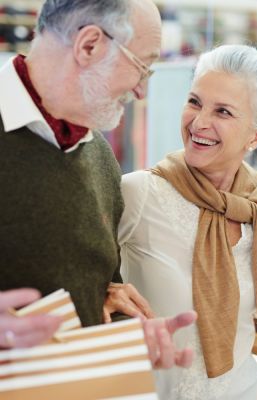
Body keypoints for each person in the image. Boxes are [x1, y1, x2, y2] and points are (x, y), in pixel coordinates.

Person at [119, 44, 257, 400]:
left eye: (223, 112)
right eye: (195, 102)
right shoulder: (140, 193)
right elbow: (86, 285)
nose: (200, 122)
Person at [0, 0, 196, 368]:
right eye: (142, 68)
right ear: (89, 45)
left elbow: (102, 284)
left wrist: (124, 332)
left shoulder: (100, 158)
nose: (141, 91)